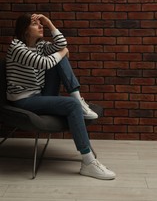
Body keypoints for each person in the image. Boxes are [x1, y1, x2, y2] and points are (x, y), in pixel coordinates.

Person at [6, 13, 115, 180]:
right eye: (36, 24)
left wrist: (49, 23)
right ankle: (88, 161)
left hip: (40, 94)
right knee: (71, 102)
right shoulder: (17, 47)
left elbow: (61, 44)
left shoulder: (40, 46)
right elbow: (45, 63)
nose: (41, 26)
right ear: (25, 30)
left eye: (41, 24)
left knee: (59, 54)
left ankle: (77, 98)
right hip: (23, 100)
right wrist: (63, 52)